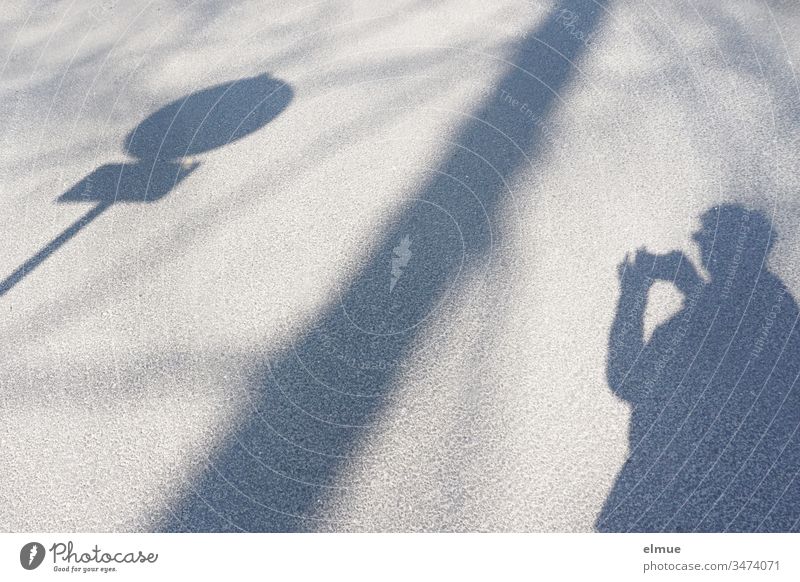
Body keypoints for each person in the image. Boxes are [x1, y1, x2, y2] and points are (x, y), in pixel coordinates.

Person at [598, 204, 800, 532]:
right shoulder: (763, 306)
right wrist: (678, 289)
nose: (704, 250)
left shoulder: (762, 309)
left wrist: (643, 293)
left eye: (712, 242)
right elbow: (634, 379)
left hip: (701, 502)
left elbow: (632, 379)